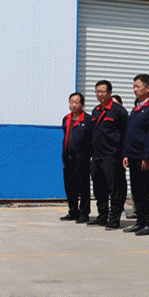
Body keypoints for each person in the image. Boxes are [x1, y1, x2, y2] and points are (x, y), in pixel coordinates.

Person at [88, 80, 129, 229]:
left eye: (102, 92)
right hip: (97, 156)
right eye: (97, 92)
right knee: (99, 189)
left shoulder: (118, 111)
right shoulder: (96, 110)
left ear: (110, 92)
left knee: (116, 190)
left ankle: (114, 220)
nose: (99, 95)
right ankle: (102, 217)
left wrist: (125, 154)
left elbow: (126, 134)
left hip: (113, 156)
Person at [122, 74, 149, 236]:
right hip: (132, 155)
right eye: (134, 86)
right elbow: (129, 133)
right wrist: (126, 154)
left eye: (138, 86)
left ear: (148, 88)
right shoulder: (136, 108)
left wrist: (146, 156)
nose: (135, 89)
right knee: (136, 191)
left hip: (144, 157)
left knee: (147, 190)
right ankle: (140, 221)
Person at [61, 92, 92, 223]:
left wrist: (88, 155)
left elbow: (92, 140)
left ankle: (84, 213)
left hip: (82, 159)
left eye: (76, 102)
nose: (73, 105)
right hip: (68, 158)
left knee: (83, 187)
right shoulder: (66, 118)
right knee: (70, 186)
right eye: (71, 102)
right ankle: (73, 211)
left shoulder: (88, 120)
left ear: (82, 104)